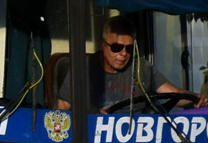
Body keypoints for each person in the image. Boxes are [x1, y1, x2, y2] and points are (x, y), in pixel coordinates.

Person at [56, 15, 191, 112]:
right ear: (102, 45)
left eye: (129, 48)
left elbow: (175, 95)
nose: (124, 53)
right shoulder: (82, 70)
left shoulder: (141, 68)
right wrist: (92, 115)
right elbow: (59, 112)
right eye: (116, 47)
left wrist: (194, 98)